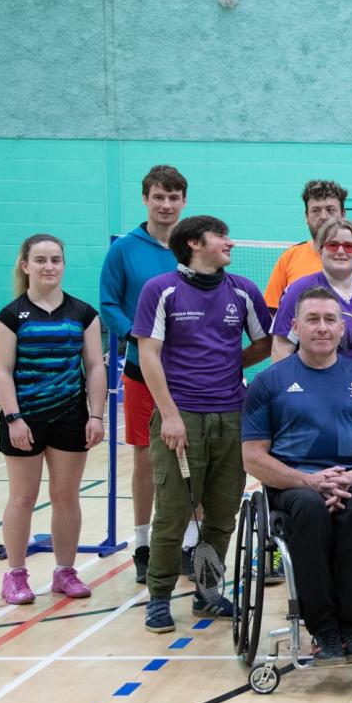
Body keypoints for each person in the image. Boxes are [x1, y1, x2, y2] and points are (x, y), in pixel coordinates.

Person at [132, 215, 272, 634]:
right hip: (183, 417)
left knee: (223, 514)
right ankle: (158, 598)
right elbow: (149, 354)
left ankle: (207, 593)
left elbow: (265, 341)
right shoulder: (161, 290)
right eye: (220, 236)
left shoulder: (243, 290)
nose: (229, 241)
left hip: (232, 415)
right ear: (195, 243)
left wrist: (232, 366)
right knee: (174, 513)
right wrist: (170, 415)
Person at [242, 288, 352, 665]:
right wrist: (310, 481)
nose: (322, 328)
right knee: (309, 509)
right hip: (295, 483)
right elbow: (253, 458)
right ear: (295, 326)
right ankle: (324, 629)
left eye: (330, 320)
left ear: (343, 328)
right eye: (313, 319)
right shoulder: (269, 383)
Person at [0, 235, 107, 604]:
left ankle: (65, 572)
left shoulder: (83, 313)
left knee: (65, 495)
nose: (49, 266)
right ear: (25, 265)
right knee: (23, 497)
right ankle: (15, 575)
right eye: (40, 260)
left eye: (56, 259)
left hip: (70, 417)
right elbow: (3, 371)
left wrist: (95, 415)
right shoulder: (11, 316)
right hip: (24, 418)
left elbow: (93, 367)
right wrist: (14, 418)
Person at [99, 164, 190, 583]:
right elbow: (109, 305)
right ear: (146, 200)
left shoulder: (193, 243)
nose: (166, 205)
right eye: (159, 197)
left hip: (190, 372)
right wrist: (139, 338)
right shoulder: (123, 250)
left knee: (193, 454)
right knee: (145, 456)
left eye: (174, 198)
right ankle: (142, 543)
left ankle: (191, 542)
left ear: (183, 201)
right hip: (140, 370)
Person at [271, 216, 352, 377]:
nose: (341, 251)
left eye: (349, 246)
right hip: (313, 391)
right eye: (332, 245)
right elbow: (281, 349)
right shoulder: (298, 290)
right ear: (320, 251)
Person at [262, 180, 352, 311]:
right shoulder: (289, 257)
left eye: (330, 210)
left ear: (343, 214)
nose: (323, 216)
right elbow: (272, 311)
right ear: (306, 216)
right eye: (316, 210)